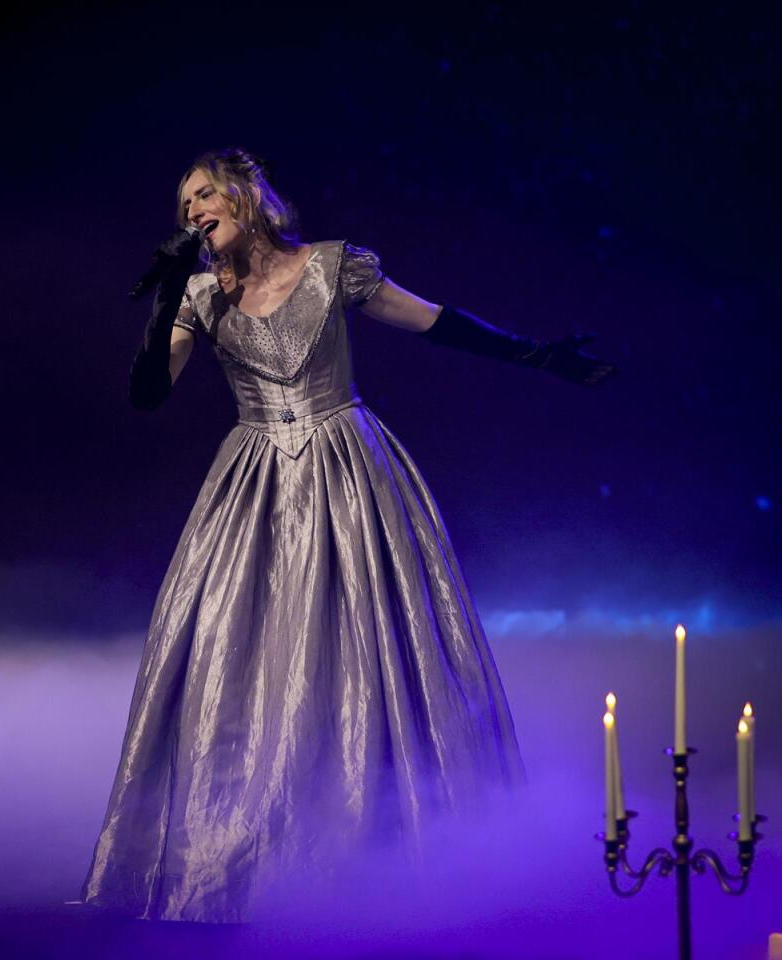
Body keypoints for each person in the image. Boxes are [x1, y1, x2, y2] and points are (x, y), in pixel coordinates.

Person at [80, 148, 615, 924]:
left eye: (204, 194)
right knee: (241, 654)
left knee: (367, 644)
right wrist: (165, 301)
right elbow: (145, 396)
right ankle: (242, 861)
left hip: (347, 469)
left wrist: (539, 355)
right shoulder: (200, 295)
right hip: (254, 482)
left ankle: (395, 855)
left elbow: (434, 322)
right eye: (184, 203)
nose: (192, 210)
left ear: (245, 196)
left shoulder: (333, 267)